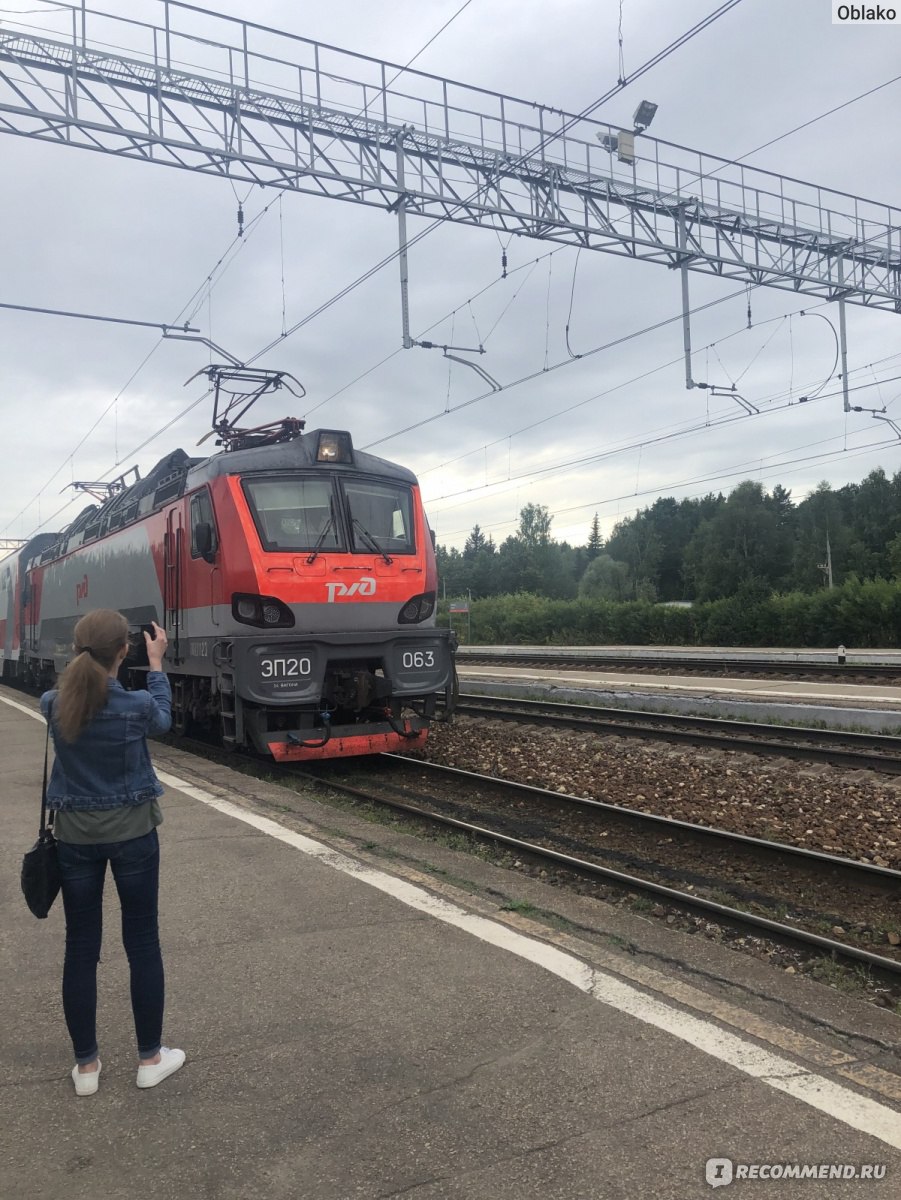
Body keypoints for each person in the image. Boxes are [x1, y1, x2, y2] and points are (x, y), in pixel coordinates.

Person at [40, 608, 185, 1097]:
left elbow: (67, 697)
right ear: (125, 650)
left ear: (78, 651)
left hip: (75, 839)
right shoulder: (138, 706)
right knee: (142, 943)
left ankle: (87, 1069)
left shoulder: (51, 704)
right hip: (134, 836)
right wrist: (158, 663)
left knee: (80, 948)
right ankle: (149, 1059)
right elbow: (163, 720)